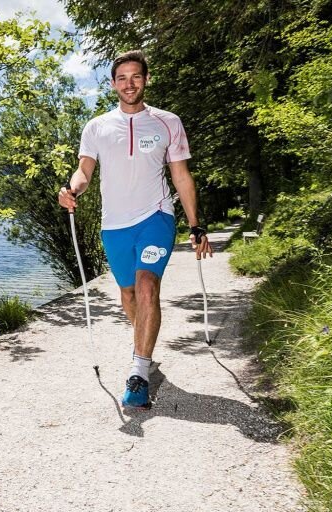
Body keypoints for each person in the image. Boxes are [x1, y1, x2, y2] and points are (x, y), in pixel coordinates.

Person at [57, 50, 212, 409]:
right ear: (113, 84)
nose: (129, 84)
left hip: (156, 217)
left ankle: (139, 372)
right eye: (122, 78)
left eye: (136, 77)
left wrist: (195, 224)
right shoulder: (96, 127)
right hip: (114, 226)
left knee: (146, 286)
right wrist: (73, 189)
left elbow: (181, 176)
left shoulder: (167, 122)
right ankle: (143, 347)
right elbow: (84, 171)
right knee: (128, 295)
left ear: (146, 79)